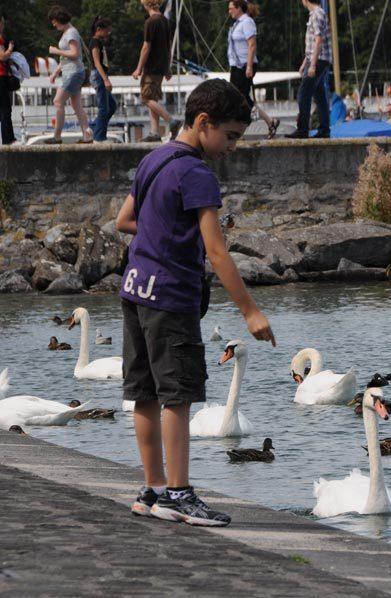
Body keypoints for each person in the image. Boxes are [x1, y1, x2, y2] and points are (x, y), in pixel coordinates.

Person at [115, 79, 275, 527]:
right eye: (230, 136)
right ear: (204, 122)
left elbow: (124, 220)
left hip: (134, 290)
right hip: (171, 297)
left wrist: (162, 233)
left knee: (144, 394)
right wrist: (250, 310)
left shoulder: (154, 159)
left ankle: (153, 489)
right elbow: (218, 252)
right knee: (178, 396)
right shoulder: (197, 173)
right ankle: (179, 494)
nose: (232, 147)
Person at [227, 0, 280, 139]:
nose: (229, 11)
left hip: (245, 65)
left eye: (231, 8)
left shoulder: (247, 22)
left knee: (239, 98)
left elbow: (252, 45)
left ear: (239, 8)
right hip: (236, 66)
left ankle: (239, 130)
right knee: (241, 98)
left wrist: (249, 66)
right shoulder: (236, 24)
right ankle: (270, 121)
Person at [132, 0, 181, 142]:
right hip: (161, 67)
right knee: (153, 98)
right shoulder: (165, 21)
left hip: (151, 67)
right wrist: (167, 67)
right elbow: (168, 46)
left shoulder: (150, 22)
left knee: (145, 98)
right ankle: (154, 132)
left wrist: (138, 68)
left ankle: (171, 121)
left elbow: (146, 47)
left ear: (147, 4)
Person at [285, 0, 331, 139]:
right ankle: (324, 129)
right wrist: (305, 62)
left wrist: (312, 65)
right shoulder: (317, 13)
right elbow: (312, 44)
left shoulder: (316, 14)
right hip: (318, 59)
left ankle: (303, 129)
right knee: (319, 96)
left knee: (303, 94)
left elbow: (318, 41)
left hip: (318, 59)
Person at [46, 6, 92, 144]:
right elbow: (66, 57)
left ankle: (57, 137)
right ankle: (87, 137)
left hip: (74, 73)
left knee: (58, 101)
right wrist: (56, 72)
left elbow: (74, 54)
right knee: (76, 105)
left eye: (54, 21)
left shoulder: (71, 33)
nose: (53, 24)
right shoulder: (69, 31)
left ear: (59, 19)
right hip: (72, 72)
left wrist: (56, 51)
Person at [89, 17, 117, 142]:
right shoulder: (94, 42)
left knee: (112, 106)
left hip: (101, 74)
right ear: (99, 29)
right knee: (104, 108)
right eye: (107, 30)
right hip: (99, 75)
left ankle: (93, 127)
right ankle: (99, 137)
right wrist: (105, 80)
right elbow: (97, 63)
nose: (108, 32)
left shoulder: (99, 42)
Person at [0, 13, 15, 145]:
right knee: (6, 110)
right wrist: (10, 49)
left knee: (4, 109)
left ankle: (9, 138)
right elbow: (2, 57)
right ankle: (8, 140)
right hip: (1, 77)